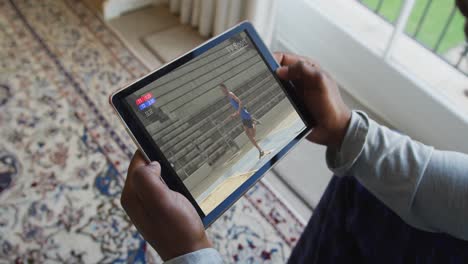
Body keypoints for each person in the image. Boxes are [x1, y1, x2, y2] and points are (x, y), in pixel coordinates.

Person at [120, 1, 468, 262]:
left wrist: (189, 253)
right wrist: (348, 130)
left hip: (244, 117)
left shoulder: (237, 103)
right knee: (356, 184)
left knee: (260, 141)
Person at [220, 83, 265, 159]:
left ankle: (254, 122)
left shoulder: (231, 94)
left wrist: (238, 112)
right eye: (221, 90)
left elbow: (240, 102)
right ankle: (260, 150)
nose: (222, 91)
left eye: (222, 89)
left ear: (225, 88)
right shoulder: (228, 97)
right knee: (248, 134)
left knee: (252, 135)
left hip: (245, 115)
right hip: (243, 117)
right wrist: (235, 114)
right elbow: (237, 106)